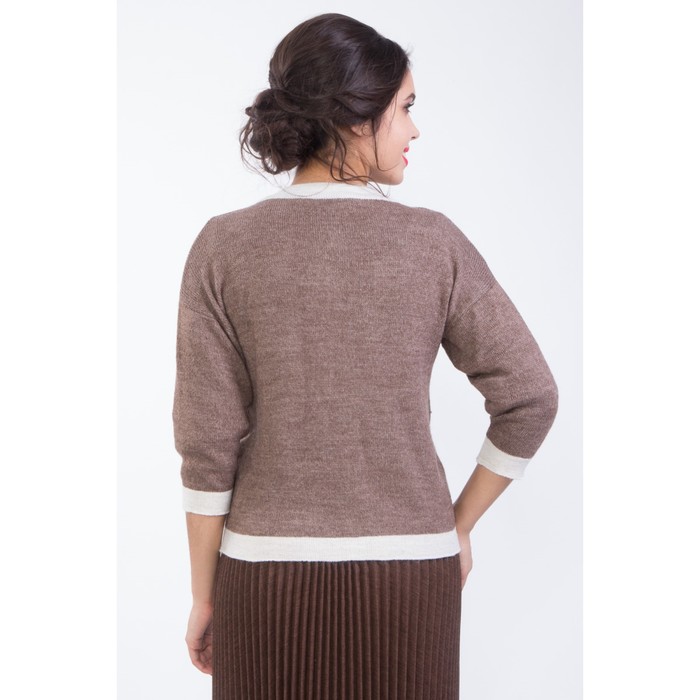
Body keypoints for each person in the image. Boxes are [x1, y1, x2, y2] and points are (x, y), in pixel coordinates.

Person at [172, 12, 558, 700]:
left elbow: (207, 443)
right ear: (355, 118)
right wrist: (456, 526)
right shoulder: (434, 244)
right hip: (412, 573)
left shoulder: (224, 246)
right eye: (405, 108)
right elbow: (531, 396)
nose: (415, 129)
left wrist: (206, 595)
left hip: (264, 577)